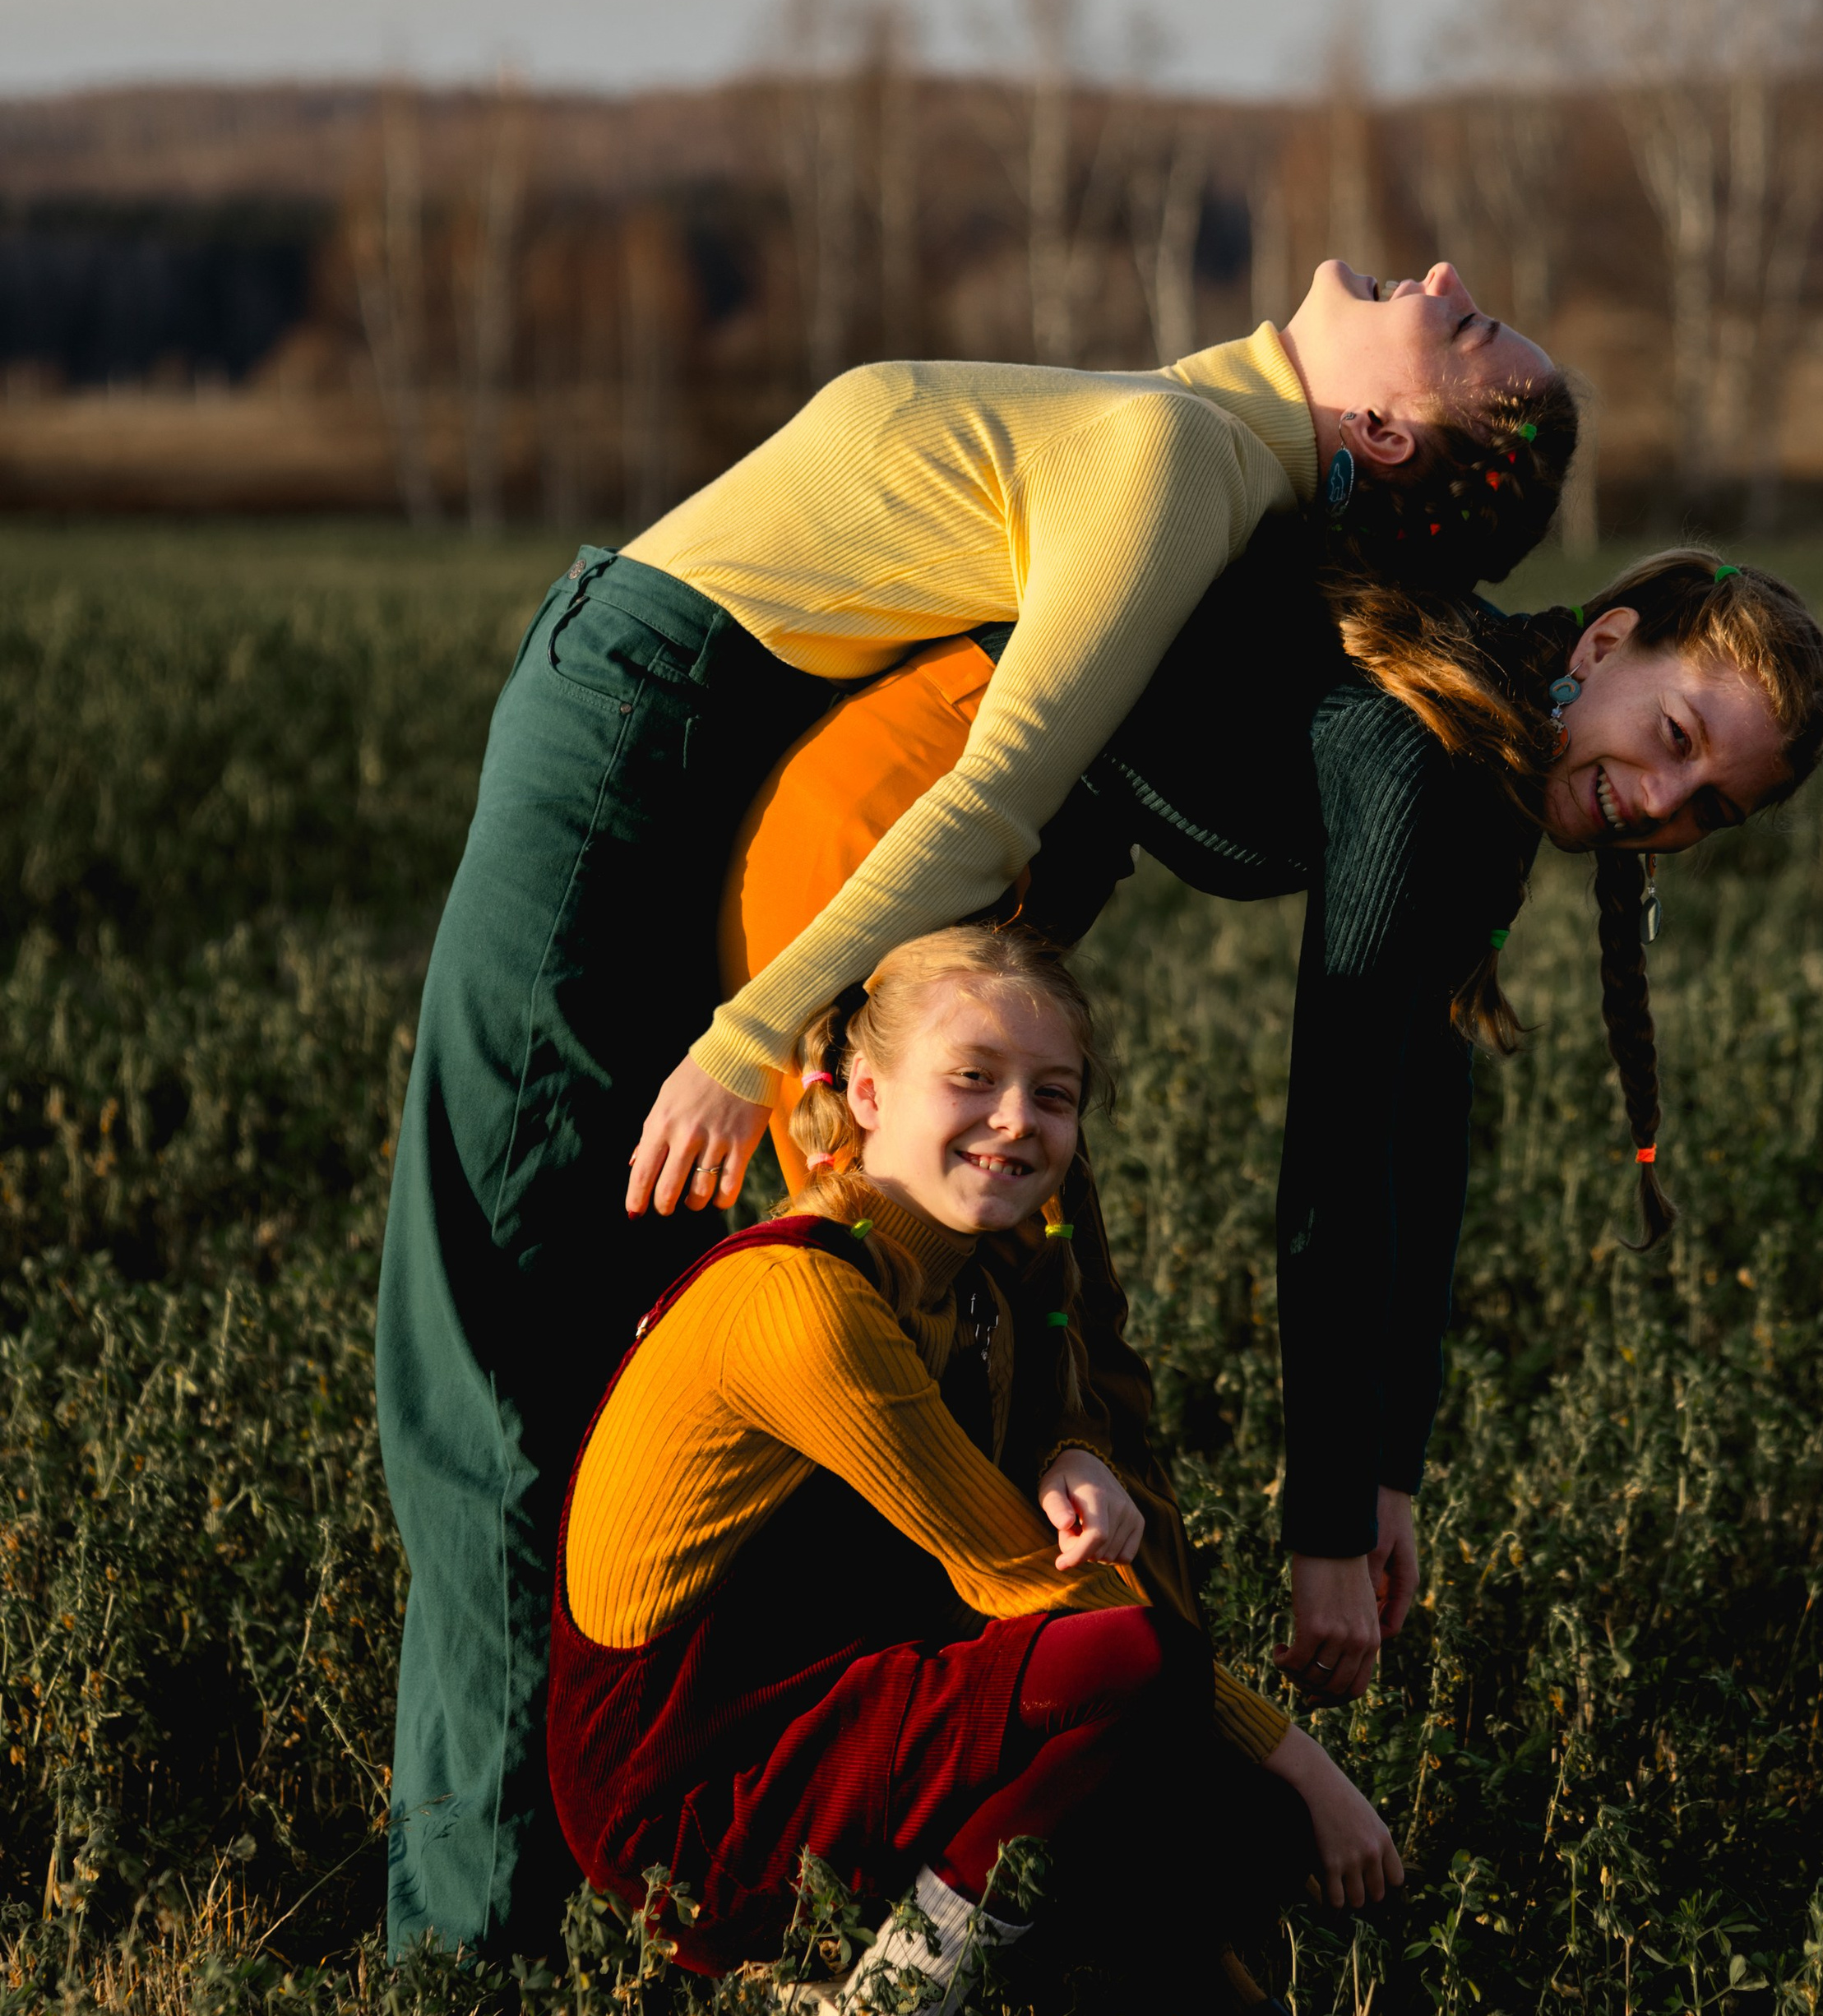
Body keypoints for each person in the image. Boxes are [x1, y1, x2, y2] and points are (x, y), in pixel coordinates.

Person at [377, 257, 1572, 1956]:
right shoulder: (1203, 449)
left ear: (1381, 428)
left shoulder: (1173, 460)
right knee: (570, 1360)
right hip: (698, 775)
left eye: (1464, 334)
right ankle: (588, 1901)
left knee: (482, 1364)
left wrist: (751, 1032)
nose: (1445, 277)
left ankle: (469, 1949)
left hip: (636, 742)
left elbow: (992, 789)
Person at [713, 538, 1823, 1712]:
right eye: (1673, 738)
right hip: (899, 817)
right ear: (1606, 645)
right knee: (932, 1361)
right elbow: (1341, 1152)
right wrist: (1326, 1537)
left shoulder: (1490, 757)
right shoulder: (1427, 749)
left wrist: (1385, 1472)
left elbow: (1422, 1126)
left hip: (989, 893)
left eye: (1709, 808)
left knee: (1071, 1374)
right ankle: (854, 1783)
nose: (1659, 802)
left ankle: (1082, 1775)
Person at [548, 927, 1398, 2008]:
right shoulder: (802, 1303)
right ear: (865, 1093)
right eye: (973, 1079)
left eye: (1053, 1093)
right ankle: (891, 1998)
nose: (1015, 1121)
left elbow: (1058, 1393)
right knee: (1130, 1671)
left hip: (827, 1708)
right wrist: (1303, 1760)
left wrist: (1070, 1451)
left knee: (1229, 1819)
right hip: (684, 1804)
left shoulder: (991, 1273)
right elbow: (1018, 1581)